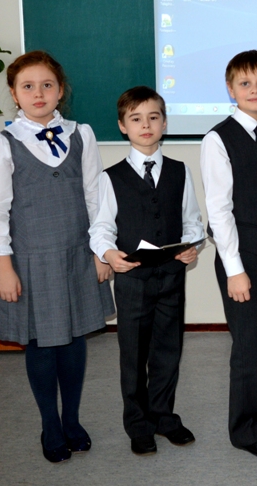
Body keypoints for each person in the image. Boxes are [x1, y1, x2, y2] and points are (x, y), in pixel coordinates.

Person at [0, 51, 115, 464]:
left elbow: (95, 198)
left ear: (60, 91)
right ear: (14, 94)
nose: (38, 93)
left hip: (77, 255)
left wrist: (101, 252)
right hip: (30, 260)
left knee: (74, 339)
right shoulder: (3, 143)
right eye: (28, 86)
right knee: (41, 344)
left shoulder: (81, 134)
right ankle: (50, 424)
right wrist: (3, 268)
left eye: (47, 85)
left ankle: (71, 419)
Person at [89, 86, 205, 456]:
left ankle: (164, 416)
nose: (146, 125)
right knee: (134, 355)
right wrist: (109, 254)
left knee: (168, 351)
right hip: (133, 281)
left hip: (170, 277)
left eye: (153, 117)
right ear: (123, 126)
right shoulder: (111, 177)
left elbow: (192, 222)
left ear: (164, 123)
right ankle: (138, 424)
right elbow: (101, 227)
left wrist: (190, 246)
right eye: (136, 119)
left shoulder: (180, 171)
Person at [200, 50, 257, 459]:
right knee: (249, 347)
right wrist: (234, 270)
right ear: (230, 89)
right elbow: (219, 211)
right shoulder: (217, 139)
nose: (254, 90)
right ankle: (245, 429)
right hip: (242, 257)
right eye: (245, 83)